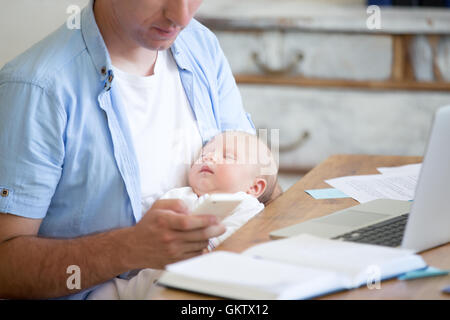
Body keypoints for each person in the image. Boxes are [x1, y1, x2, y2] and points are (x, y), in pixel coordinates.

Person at [0, 0, 281, 300]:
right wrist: (128, 248)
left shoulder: (201, 45)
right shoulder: (36, 89)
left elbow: (260, 181)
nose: (181, 17)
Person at [152, 130, 279, 250]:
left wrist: (208, 247)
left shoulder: (246, 205)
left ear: (254, 187)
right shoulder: (177, 196)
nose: (209, 157)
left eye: (228, 157)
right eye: (204, 154)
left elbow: (239, 233)